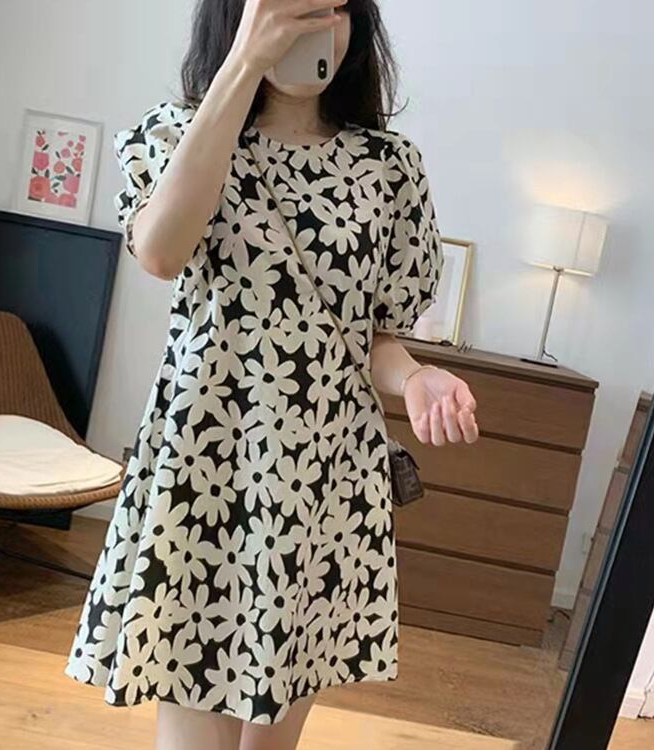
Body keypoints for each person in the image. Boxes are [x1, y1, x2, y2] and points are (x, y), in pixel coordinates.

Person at [64, 1, 480, 748]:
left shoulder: (389, 168)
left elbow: (373, 340)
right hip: (209, 471)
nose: (310, 25)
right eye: (287, 7)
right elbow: (160, 251)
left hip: (326, 484)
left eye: (331, 9)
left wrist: (417, 378)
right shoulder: (178, 134)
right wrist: (244, 66)